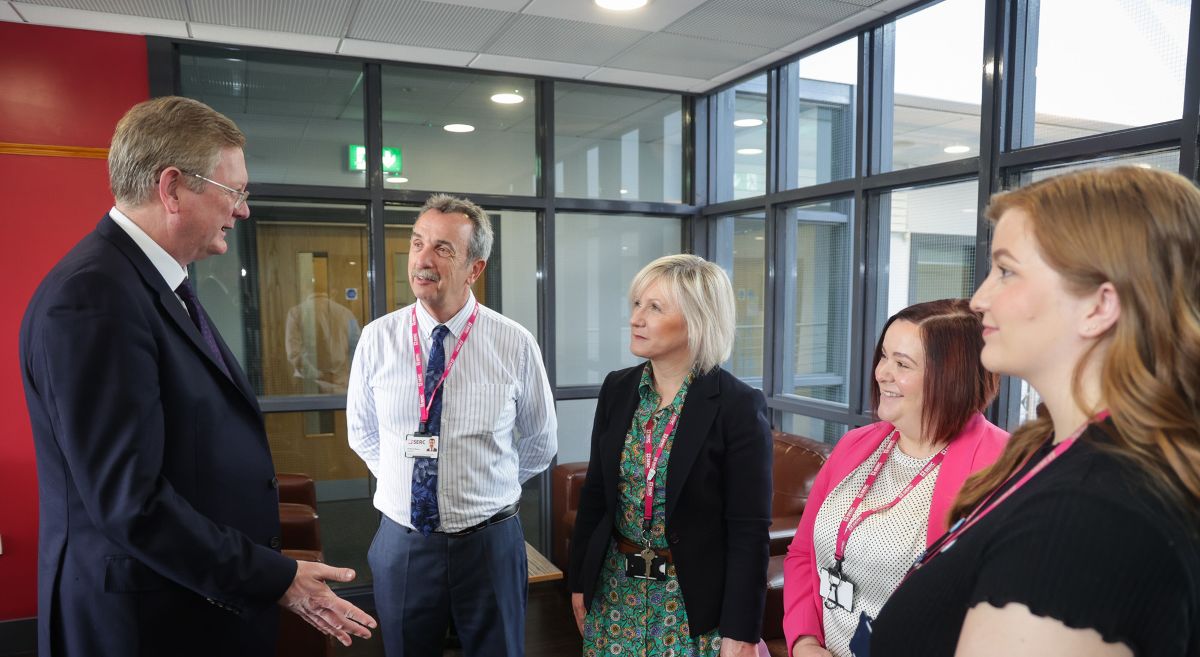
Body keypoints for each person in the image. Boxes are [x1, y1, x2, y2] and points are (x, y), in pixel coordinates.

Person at [18, 96, 376, 657]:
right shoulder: (93, 298)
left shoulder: (154, 283)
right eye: (234, 192)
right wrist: (276, 577)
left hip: (187, 604)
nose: (243, 211)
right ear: (172, 188)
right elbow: (129, 503)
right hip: (145, 623)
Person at [871, 167, 1200, 656]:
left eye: (1006, 271)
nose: (979, 299)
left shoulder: (1084, 518)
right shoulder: (1054, 450)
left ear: (1098, 306)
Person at [346, 193, 557, 657]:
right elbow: (361, 430)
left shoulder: (513, 344)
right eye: (418, 243)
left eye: (443, 248)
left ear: (474, 268)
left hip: (489, 544)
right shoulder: (377, 339)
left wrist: (486, 485)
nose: (423, 259)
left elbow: (541, 441)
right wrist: (409, 484)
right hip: (403, 544)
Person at [568, 254, 772, 657]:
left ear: (697, 320)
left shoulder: (737, 407)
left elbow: (749, 531)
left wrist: (741, 631)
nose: (636, 318)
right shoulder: (617, 389)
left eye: (654, 308)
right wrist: (579, 581)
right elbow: (595, 493)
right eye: (637, 304)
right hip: (615, 591)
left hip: (691, 605)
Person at [782, 299, 1006, 657]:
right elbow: (802, 555)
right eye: (884, 356)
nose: (881, 372)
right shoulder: (855, 446)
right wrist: (805, 641)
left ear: (951, 378)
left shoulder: (1001, 469)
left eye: (902, 364)